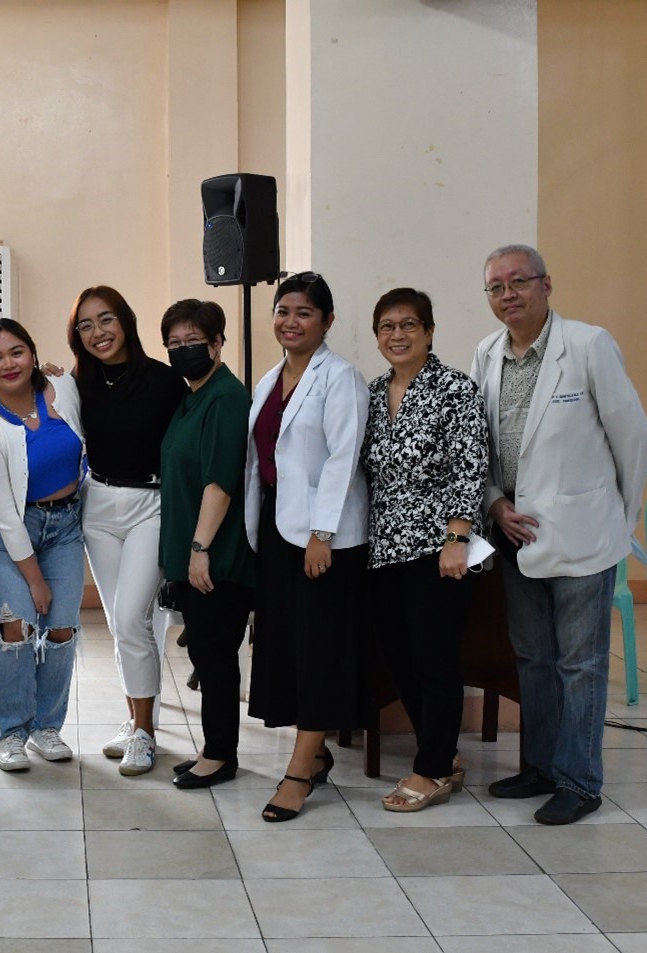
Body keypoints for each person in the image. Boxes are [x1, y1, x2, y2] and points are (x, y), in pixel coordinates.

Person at [469, 244, 647, 825]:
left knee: (581, 662)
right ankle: (541, 767)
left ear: (547, 285)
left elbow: (634, 439)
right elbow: (479, 447)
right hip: (513, 535)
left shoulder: (589, 345)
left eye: (518, 282)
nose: (508, 295)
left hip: (583, 536)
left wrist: (618, 520)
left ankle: (579, 780)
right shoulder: (486, 354)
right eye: (496, 287)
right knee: (533, 659)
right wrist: (495, 505)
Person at [244, 271, 369, 822]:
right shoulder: (271, 379)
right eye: (283, 311)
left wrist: (323, 534)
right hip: (277, 528)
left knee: (317, 652)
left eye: (303, 314)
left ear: (327, 322)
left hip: (324, 538)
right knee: (288, 647)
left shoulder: (340, 378)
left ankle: (298, 773)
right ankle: (314, 756)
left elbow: (343, 460)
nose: (290, 322)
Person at [362, 288, 489, 811]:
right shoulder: (372, 393)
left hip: (439, 549)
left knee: (435, 659)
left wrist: (457, 538)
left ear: (430, 331)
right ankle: (443, 752)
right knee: (398, 656)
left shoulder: (455, 389)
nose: (398, 334)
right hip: (383, 547)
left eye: (409, 324)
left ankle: (433, 768)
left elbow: (470, 466)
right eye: (387, 326)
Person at [68, 287, 186, 776]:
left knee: (132, 615)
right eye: (86, 325)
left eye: (107, 319)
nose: (98, 333)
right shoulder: (78, 382)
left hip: (150, 505)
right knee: (120, 625)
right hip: (98, 505)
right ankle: (136, 717)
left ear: (127, 321)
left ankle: (145, 733)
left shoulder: (163, 380)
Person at [0, 319, 86, 772]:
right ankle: (11, 732)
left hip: (66, 524)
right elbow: (6, 518)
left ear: (33, 353)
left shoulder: (62, 387)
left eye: (17, 351)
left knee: (62, 628)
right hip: (10, 533)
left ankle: (46, 727)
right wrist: (35, 581)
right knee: (16, 626)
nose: (8, 363)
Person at [157, 299, 256, 792]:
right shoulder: (191, 394)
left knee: (215, 656)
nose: (183, 351)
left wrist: (199, 549)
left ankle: (221, 755)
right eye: (174, 344)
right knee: (204, 652)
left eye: (193, 342)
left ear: (218, 342)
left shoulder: (225, 398)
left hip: (219, 554)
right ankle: (213, 746)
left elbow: (220, 482)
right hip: (195, 552)